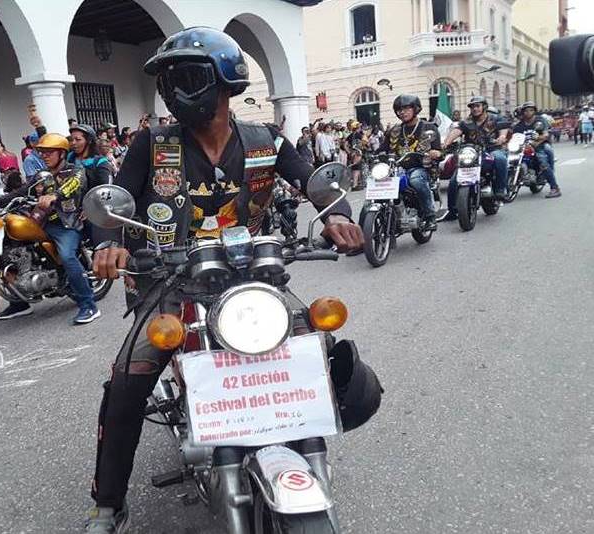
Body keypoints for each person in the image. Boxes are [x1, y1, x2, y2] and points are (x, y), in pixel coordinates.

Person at [85, 27, 377, 533]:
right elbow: (117, 201)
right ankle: (108, 504)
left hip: (252, 274)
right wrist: (108, 244)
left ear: (225, 81)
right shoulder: (150, 144)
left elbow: (312, 179)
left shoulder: (267, 141)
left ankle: (300, 432)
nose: (177, 89)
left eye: (189, 76)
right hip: (174, 280)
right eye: (169, 80)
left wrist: (335, 216)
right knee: (128, 381)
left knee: (317, 345)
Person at [0, 133, 100, 324]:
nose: (44, 155)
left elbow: (73, 186)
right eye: (42, 152)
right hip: (41, 223)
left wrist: (55, 195)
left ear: (61, 153)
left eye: (49, 152)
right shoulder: (40, 176)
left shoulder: (75, 171)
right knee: (8, 249)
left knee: (67, 256)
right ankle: (19, 303)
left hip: (67, 223)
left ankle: (89, 306)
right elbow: (20, 192)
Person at [377, 94, 441, 230]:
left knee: (416, 179)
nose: (402, 112)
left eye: (406, 108)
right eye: (399, 110)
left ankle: (430, 216)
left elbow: (439, 150)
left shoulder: (429, 128)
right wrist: (376, 155)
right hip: (397, 168)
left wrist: (436, 153)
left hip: (421, 168)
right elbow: (382, 149)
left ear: (416, 109)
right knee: (378, 182)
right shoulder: (394, 130)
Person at [441, 96, 510, 221]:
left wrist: (502, 137)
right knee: (453, 181)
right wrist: (446, 142)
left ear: (484, 106)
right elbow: (456, 131)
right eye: (473, 106)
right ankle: (452, 210)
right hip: (471, 152)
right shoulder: (467, 122)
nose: (475, 109)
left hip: (491, 149)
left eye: (477, 106)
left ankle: (500, 190)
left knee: (500, 158)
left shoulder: (494, 118)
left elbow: (503, 128)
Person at [513, 102, 561, 199]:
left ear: (534, 111)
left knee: (542, 162)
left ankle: (555, 188)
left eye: (531, 110)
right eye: (526, 111)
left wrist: (536, 142)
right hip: (522, 148)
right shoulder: (519, 125)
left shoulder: (539, 121)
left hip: (539, 146)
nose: (528, 113)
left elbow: (545, 134)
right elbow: (513, 137)